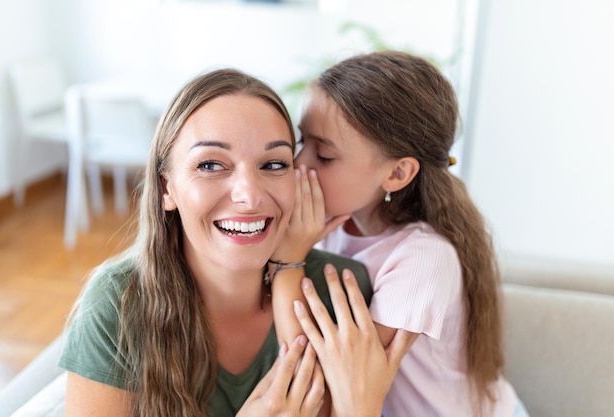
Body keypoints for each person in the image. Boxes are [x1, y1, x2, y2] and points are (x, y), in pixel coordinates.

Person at [57, 68, 409, 417]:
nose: (250, 196)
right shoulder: (117, 305)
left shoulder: (341, 292)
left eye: (273, 164)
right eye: (210, 165)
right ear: (167, 187)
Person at [275, 50, 530, 417]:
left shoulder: (422, 259)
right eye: (302, 143)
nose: (299, 164)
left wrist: (288, 260)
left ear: (397, 174)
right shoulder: (328, 230)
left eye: (324, 155)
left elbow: (321, 395)